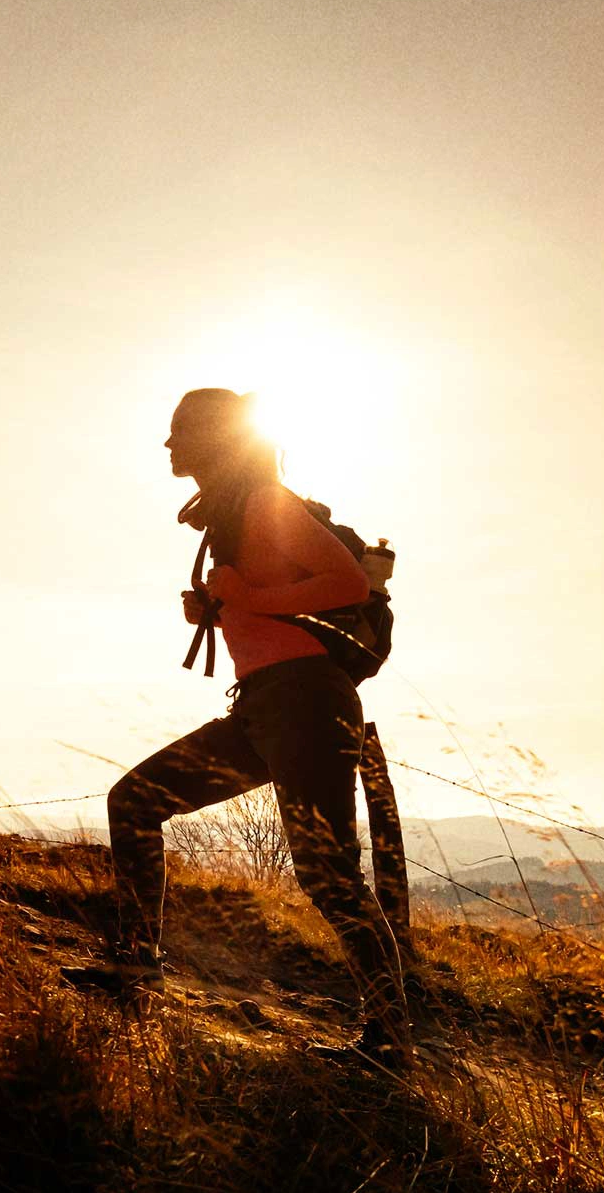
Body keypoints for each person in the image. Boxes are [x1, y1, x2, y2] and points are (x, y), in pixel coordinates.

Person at [101, 387, 414, 1068]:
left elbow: (346, 583)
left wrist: (249, 598)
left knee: (328, 874)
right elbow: (274, 601)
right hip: (264, 706)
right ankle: (135, 971)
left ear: (215, 437)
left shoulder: (265, 501)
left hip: (305, 702)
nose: (169, 443)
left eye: (181, 430)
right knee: (135, 802)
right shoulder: (232, 512)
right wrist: (217, 610)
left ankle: (391, 1041)